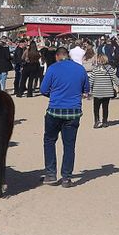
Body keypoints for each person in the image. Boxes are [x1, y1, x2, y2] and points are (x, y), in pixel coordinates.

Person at [39, 46, 88, 186]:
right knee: (69, 145)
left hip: (55, 109)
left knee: (49, 140)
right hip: (73, 111)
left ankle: (50, 173)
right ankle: (66, 177)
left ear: (57, 56)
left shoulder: (53, 68)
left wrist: (53, 94)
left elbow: (43, 89)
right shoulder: (80, 69)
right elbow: (86, 89)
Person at [87, 52, 119, 128]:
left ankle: (97, 121)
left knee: (96, 108)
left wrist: (88, 90)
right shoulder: (110, 69)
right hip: (107, 92)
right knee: (105, 107)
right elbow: (115, 78)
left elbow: (91, 80)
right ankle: (105, 121)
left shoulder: (95, 70)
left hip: (97, 91)